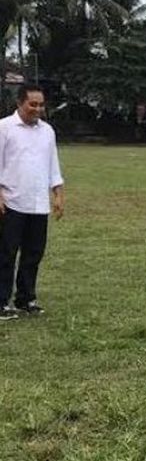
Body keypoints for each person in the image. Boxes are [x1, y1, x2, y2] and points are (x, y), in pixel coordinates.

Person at [0, 84, 65, 320]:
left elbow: (52, 164)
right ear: (20, 103)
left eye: (40, 104)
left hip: (38, 203)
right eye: (32, 104)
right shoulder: (4, 128)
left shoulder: (47, 131)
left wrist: (57, 193)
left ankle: (26, 298)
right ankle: (1, 301)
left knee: (33, 253)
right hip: (12, 201)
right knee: (7, 253)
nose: (37, 109)